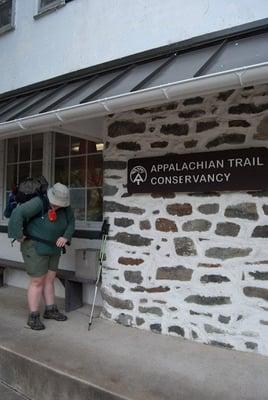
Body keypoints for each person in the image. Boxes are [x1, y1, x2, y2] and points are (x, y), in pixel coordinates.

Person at [8, 183, 75, 330]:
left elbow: (71, 222)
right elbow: (17, 214)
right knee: (37, 281)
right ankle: (33, 316)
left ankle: (50, 310)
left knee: (50, 279)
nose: (58, 206)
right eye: (56, 203)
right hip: (34, 247)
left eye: (61, 204)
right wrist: (17, 235)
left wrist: (66, 236)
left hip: (54, 248)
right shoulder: (38, 202)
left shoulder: (66, 207)